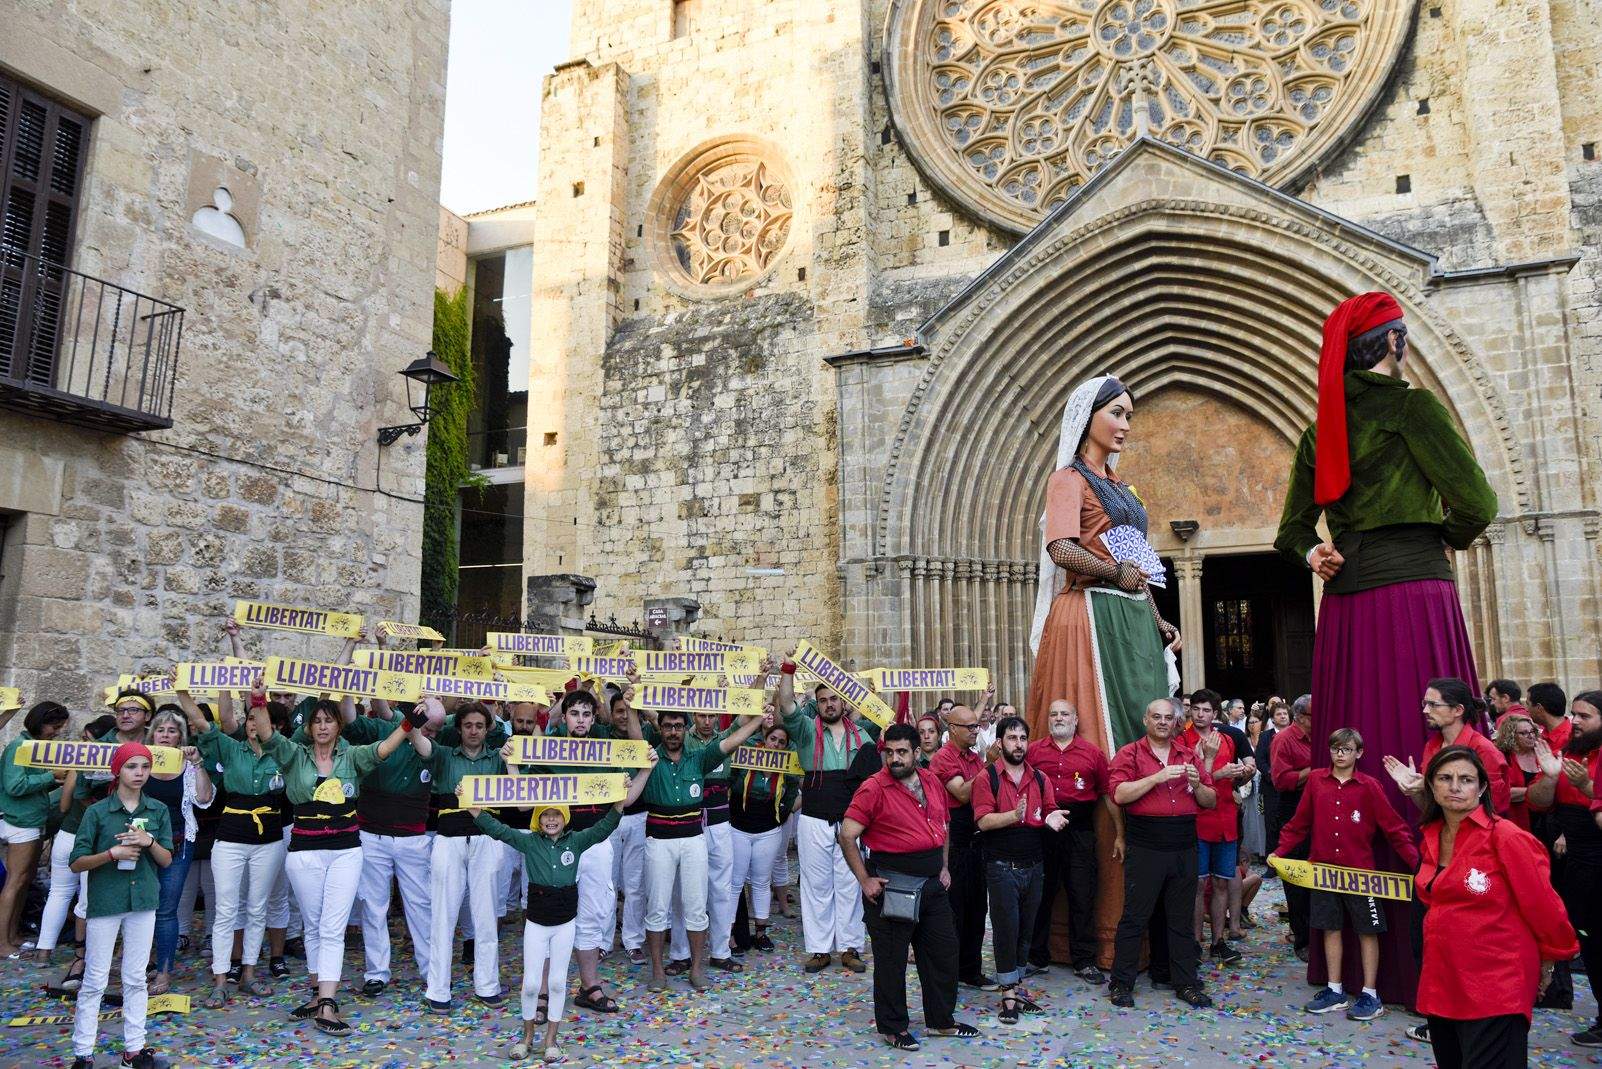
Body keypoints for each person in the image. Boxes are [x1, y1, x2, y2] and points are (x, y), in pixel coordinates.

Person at [1275, 291, 1496, 1006]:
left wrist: (1319, 550)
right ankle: (1432, 947)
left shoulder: (1322, 428)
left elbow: (1293, 530)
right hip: (1415, 595)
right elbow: (1478, 506)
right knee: (1429, 743)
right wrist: (1440, 540)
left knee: (1359, 758)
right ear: (1395, 344)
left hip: (1347, 608)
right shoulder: (1411, 409)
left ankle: (1348, 967)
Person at [460, 752, 654, 1065]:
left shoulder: (576, 842)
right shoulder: (529, 843)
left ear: (565, 817)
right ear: (538, 819)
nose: (551, 819)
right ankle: (526, 1037)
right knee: (533, 983)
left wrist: (618, 803)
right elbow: (498, 829)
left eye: (557, 814)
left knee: (556, 982)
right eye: (546, 814)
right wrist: (472, 806)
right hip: (536, 923)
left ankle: (551, 1039)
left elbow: (603, 828)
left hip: (565, 923)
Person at [251, 686, 412, 1035]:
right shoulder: (294, 755)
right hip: (305, 851)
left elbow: (383, 749)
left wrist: (410, 722)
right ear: (309, 728)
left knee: (332, 925)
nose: (323, 726)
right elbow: (266, 734)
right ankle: (316, 992)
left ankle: (328, 1002)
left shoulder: (352, 757)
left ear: (339, 726)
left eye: (329, 720)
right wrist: (259, 700)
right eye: (317, 721)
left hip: (346, 851)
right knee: (313, 923)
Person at [1416, 746, 1576, 1068]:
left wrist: (1552, 960)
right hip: (1443, 979)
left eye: (1466, 779)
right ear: (1432, 786)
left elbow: (1544, 906)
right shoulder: (1431, 835)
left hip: (1496, 982)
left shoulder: (1506, 837)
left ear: (1482, 787)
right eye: (1445, 778)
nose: (1455, 786)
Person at [838, 723, 980, 1052]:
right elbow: (847, 835)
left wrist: (943, 867)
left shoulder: (931, 780)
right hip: (891, 885)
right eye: (889, 752)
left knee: (944, 953)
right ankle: (893, 1027)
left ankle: (941, 1022)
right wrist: (864, 880)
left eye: (902, 752)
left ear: (917, 753)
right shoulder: (873, 787)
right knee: (891, 961)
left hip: (931, 885)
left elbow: (942, 826)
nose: (895, 758)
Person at [620, 687, 764, 990]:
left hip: (693, 840)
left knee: (697, 906)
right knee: (657, 906)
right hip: (658, 841)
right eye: (668, 726)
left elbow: (731, 741)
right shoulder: (649, 757)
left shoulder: (699, 758)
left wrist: (758, 720)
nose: (673, 732)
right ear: (659, 729)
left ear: (686, 729)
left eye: (678, 726)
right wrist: (631, 701)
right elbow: (634, 732)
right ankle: (658, 971)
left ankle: (698, 968)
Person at [1272, 727, 1417, 1022]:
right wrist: (1280, 852)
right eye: (1336, 749)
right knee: (1330, 927)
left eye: (1347, 749)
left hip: (1361, 874)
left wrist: (1417, 863)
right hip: (1323, 872)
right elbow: (1299, 824)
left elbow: (1394, 828)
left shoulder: (1370, 786)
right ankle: (1334, 989)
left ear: (1358, 753)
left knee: (1368, 930)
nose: (1340, 755)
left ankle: (1371, 994)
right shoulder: (1315, 781)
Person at [514, 689, 630, 1016]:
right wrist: (512, 763)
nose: (580, 720)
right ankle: (542, 988)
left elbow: (626, 797)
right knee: (550, 913)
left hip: (595, 840)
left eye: (587, 714)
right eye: (574, 714)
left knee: (593, 912)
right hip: (557, 842)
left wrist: (647, 769)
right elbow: (524, 802)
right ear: (563, 717)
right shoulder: (547, 751)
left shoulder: (606, 753)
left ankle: (589, 985)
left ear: (594, 719)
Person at [68, 741, 173, 1069]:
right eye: (131, 766)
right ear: (118, 770)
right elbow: (76, 862)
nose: (139, 773)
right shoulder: (97, 812)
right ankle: (83, 1052)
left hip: (143, 900)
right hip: (107, 901)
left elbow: (167, 859)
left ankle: (135, 1049)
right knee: (95, 979)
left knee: (135, 976)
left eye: (144, 766)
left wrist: (149, 842)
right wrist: (110, 855)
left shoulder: (157, 810)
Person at [1106, 698, 1216, 1010]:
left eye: (1168, 718)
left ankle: (1185, 983)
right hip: (1146, 844)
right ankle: (1121, 984)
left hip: (1183, 843)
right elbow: (1118, 793)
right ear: (1146, 720)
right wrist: (1157, 777)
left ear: (1176, 722)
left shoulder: (1187, 755)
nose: (1163, 722)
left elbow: (1210, 800)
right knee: (1135, 918)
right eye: (1157, 717)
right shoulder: (1130, 753)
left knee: (1180, 920)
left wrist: (1197, 785)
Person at [776, 661, 879, 974]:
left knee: (850, 881)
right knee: (816, 883)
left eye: (834, 699)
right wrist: (788, 670)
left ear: (843, 703)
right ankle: (820, 948)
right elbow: (786, 704)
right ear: (817, 704)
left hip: (850, 819)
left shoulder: (862, 737)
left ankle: (849, 947)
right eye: (822, 700)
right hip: (814, 817)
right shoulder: (807, 730)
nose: (829, 704)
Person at [409, 701, 507, 1011]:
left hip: (487, 838)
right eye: (468, 725)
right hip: (449, 838)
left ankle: (488, 985)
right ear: (459, 728)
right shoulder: (443, 755)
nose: (474, 731)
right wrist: (413, 718)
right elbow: (419, 741)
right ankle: (438, 990)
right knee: (442, 915)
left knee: (486, 915)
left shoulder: (499, 758)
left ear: (487, 728)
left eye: (480, 725)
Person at [972, 715, 1069, 1023]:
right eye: (1012, 738)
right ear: (1000, 743)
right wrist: (1013, 815)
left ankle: (1016, 984)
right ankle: (1008, 994)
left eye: (1022, 738)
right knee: (1006, 930)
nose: (1018, 744)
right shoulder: (987, 778)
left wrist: (1052, 818)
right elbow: (984, 821)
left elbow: (1049, 809)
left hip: (1034, 866)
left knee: (1026, 931)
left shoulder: (1039, 778)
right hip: (1002, 868)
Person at [1527, 691, 1602, 1046]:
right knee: (1588, 939)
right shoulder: (1568, 752)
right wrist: (1552, 778)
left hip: (1593, 845)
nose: (1576, 723)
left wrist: (1586, 786)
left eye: (1585, 716)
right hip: (1575, 855)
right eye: (1574, 715)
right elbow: (1539, 803)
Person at [1027, 698, 1119, 983]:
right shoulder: (1033, 751)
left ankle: (1084, 960)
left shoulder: (1093, 754)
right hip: (1042, 833)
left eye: (1064, 713)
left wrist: (1121, 834)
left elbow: (1108, 794)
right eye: (1053, 713)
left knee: (1082, 896)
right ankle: (1035, 957)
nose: (1058, 718)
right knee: (1039, 897)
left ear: (1076, 719)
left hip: (1080, 832)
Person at [33, 712, 117, 974]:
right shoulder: (115, 764)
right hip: (90, 840)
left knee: (59, 892)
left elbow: (64, 803)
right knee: (87, 899)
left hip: (67, 834)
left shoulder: (80, 761)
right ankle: (85, 955)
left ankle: (43, 952)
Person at [142, 709, 214, 995]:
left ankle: (163, 972)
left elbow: (204, 798)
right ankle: (140, 965)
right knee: (139, 908)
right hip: (139, 843)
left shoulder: (187, 765)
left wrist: (197, 765)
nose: (166, 735)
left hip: (177, 842)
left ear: (181, 736)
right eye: (161, 730)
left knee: (166, 910)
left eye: (172, 731)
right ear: (153, 734)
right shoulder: (140, 760)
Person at [928, 699, 992, 990]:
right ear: (952, 729)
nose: (975, 731)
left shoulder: (973, 757)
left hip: (977, 842)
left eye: (976, 726)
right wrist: (989, 765)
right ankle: (949, 973)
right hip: (954, 843)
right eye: (969, 727)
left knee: (977, 910)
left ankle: (971, 969)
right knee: (954, 912)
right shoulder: (943, 758)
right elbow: (963, 794)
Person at [0, 699, 70, 957]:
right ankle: (2, 943)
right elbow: (15, 786)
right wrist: (51, 776)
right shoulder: (20, 747)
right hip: (21, 821)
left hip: (31, 818)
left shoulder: (33, 747)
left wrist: (55, 781)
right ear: (41, 723)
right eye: (55, 727)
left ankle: (12, 934)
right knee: (15, 882)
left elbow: (30, 784)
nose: (57, 732)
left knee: (24, 880)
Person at [1183, 691, 1247, 964]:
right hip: (1197, 820)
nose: (1200, 714)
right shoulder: (1181, 741)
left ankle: (1218, 941)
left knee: (1221, 882)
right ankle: (1195, 941)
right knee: (1197, 884)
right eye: (1196, 709)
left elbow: (1235, 777)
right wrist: (1219, 775)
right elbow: (1187, 784)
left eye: (1206, 710)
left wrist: (1243, 775)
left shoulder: (1228, 740)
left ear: (1215, 714)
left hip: (1225, 819)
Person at [1385, 678, 1511, 815]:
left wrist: (1429, 784)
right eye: (1425, 703)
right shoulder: (1432, 746)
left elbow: (1492, 809)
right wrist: (1413, 789)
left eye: (1433, 704)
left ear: (1457, 710)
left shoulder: (1483, 749)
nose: (1425, 710)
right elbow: (1430, 809)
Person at [728, 723, 799, 953]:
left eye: (781, 742)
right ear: (764, 739)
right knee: (735, 883)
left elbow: (790, 796)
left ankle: (760, 932)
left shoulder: (787, 767)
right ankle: (730, 934)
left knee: (761, 882)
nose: (776, 744)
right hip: (739, 827)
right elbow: (733, 783)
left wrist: (781, 817)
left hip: (768, 831)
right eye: (773, 739)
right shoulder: (747, 757)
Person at [1271, 696, 1314, 960]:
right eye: (1312, 714)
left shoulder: (1322, 737)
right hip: (1293, 809)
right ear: (1299, 717)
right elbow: (1281, 780)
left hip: (1318, 809)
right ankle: (1302, 939)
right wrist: (1315, 770)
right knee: (1297, 877)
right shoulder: (1284, 740)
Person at [1492, 713, 1540, 832]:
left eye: (1532, 731)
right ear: (1511, 736)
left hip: (1545, 819)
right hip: (1517, 821)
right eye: (1524, 733)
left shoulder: (1542, 753)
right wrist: (1539, 791)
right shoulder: (1503, 757)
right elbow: (1503, 793)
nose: (1531, 736)